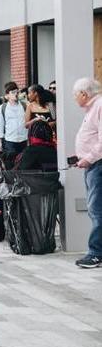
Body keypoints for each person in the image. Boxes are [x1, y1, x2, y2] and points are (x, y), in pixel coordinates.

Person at [72, 78, 102, 268]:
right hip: (93, 165)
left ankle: (96, 253)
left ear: (84, 94)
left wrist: (89, 158)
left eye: (75, 94)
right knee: (95, 209)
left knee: (96, 209)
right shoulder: (93, 108)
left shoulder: (99, 106)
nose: (74, 98)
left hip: (97, 165)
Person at [0, 82, 28, 166]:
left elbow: (28, 122)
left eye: (17, 92)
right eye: (13, 92)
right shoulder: (3, 107)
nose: (16, 94)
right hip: (9, 140)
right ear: (7, 95)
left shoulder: (24, 105)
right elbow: (0, 124)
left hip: (24, 139)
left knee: (23, 163)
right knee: (10, 164)